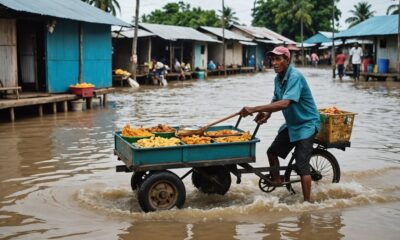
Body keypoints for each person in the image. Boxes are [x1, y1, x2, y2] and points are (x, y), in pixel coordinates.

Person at [239, 46, 320, 202]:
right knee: (272, 151)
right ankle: (276, 179)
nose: (274, 63)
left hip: (307, 125)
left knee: (302, 165)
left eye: (278, 59)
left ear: (287, 60)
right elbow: (276, 98)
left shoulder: (295, 76)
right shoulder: (278, 79)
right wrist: (266, 114)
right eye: (272, 59)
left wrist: (255, 108)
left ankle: (307, 204)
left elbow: (284, 103)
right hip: (292, 125)